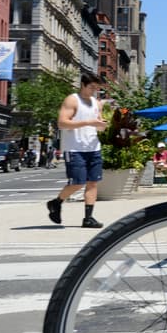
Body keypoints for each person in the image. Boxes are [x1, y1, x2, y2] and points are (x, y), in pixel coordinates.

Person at [47, 73, 109, 229]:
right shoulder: (72, 100)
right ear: (83, 85)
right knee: (77, 182)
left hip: (93, 147)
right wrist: (88, 122)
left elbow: (98, 123)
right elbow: (62, 123)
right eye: (91, 87)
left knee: (93, 182)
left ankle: (88, 218)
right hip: (74, 148)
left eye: (97, 88)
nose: (94, 91)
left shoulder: (96, 103)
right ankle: (56, 202)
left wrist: (101, 126)